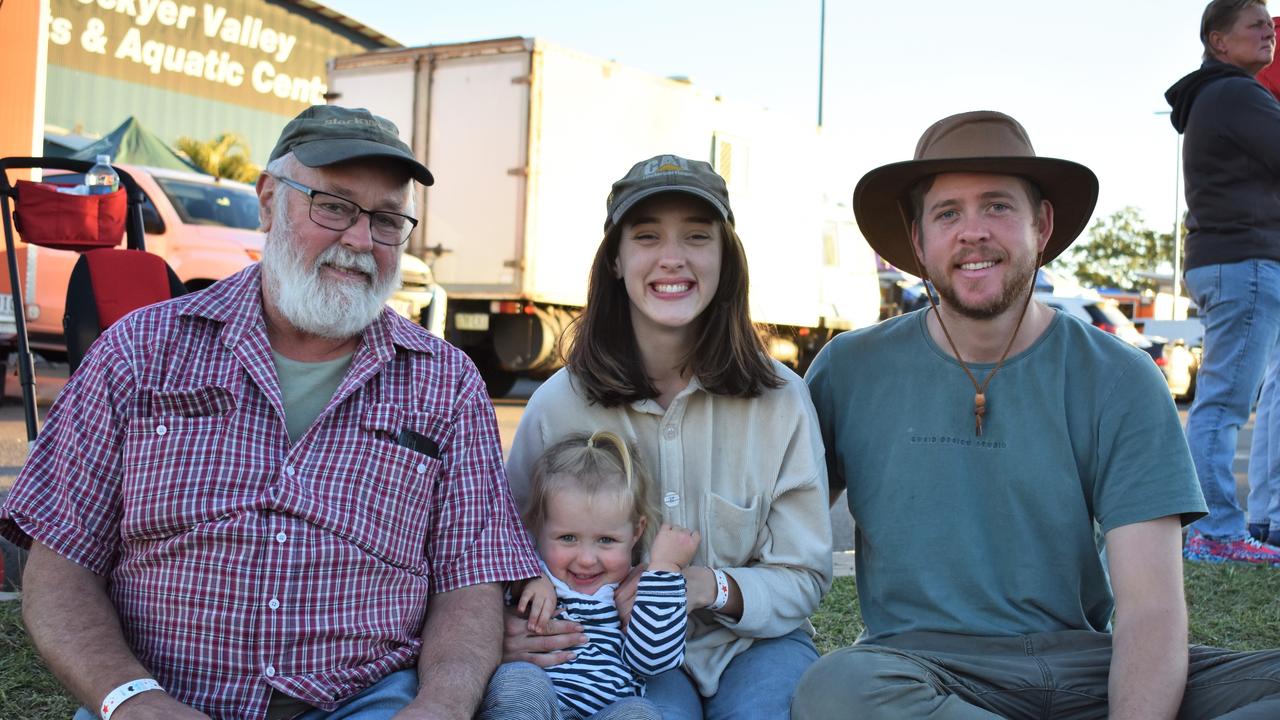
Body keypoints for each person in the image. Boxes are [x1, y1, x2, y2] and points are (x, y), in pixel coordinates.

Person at [0, 105, 540, 720]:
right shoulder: (139, 352)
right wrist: (132, 699)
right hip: (159, 697)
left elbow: (467, 582)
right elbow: (60, 563)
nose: (360, 241)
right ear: (267, 201)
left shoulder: (447, 385)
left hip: (365, 702)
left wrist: (440, 705)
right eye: (333, 206)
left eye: (388, 220)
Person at [797, 110, 1280, 718]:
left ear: (1041, 224)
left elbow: (1150, 606)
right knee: (836, 690)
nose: (973, 232)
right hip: (921, 671)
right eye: (948, 213)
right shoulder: (850, 368)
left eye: (997, 206)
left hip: (1086, 667)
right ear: (918, 240)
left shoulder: (1120, 376)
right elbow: (783, 530)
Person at [481, 154, 833, 720]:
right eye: (646, 237)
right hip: (610, 654)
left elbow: (803, 573)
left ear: (725, 257)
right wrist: (507, 624)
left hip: (750, 645)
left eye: (697, 236)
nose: (673, 258)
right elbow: (506, 548)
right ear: (616, 261)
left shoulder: (780, 400)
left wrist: (706, 587)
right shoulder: (557, 405)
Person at [1167, 0, 1280, 563]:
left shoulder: (1217, 96)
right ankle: (1214, 533)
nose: (1269, 31)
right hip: (1246, 261)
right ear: (1219, 41)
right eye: (1255, 25)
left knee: (1223, 400)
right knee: (1224, 404)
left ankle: (1219, 529)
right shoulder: (1237, 93)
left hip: (1228, 260)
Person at [512, 430, 698, 719]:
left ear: (637, 531)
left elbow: (653, 661)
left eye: (606, 540)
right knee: (519, 681)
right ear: (538, 525)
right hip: (536, 708)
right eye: (568, 538)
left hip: (607, 711)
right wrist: (527, 577)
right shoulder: (524, 573)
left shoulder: (638, 592)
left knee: (640, 712)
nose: (586, 560)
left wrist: (665, 570)